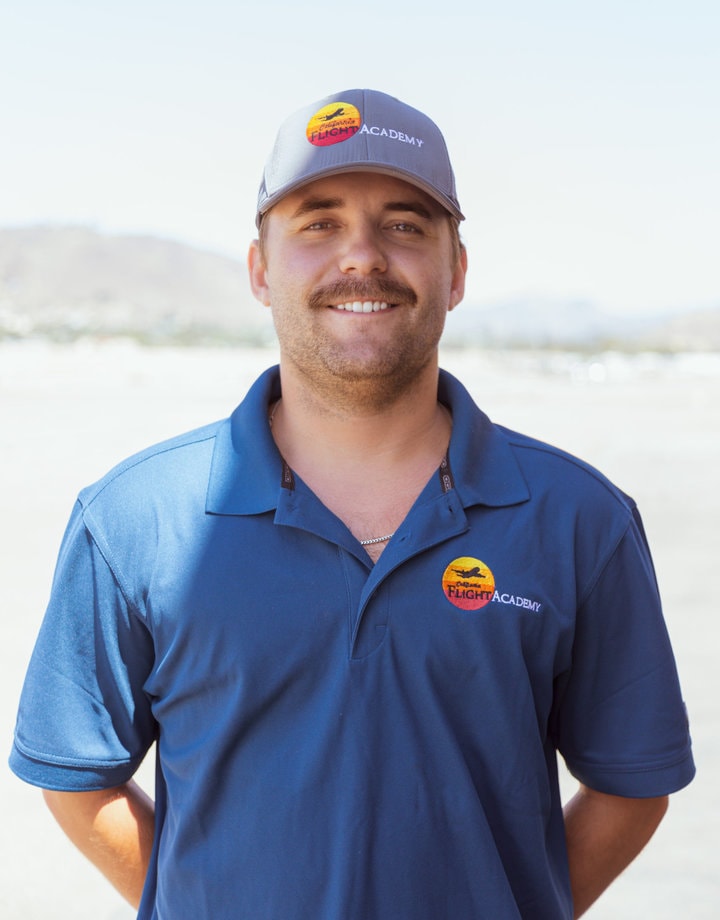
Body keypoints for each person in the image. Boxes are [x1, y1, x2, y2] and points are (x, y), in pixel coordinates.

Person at [10, 89, 694, 919]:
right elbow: (80, 779)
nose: (362, 256)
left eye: (405, 224)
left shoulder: (581, 519)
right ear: (261, 270)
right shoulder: (134, 520)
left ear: (457, 271)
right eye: (319, 224)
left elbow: (631, 786)